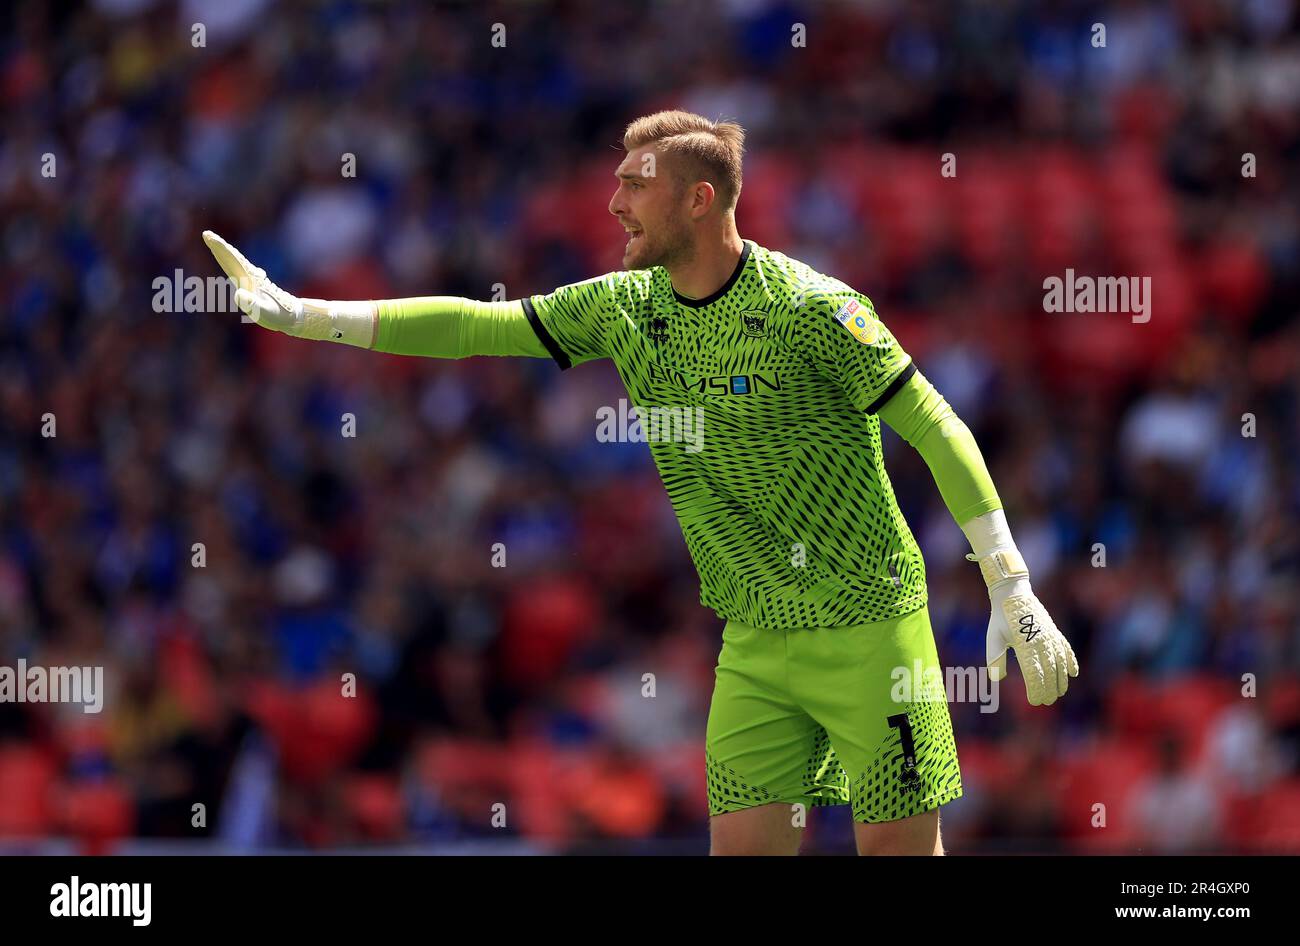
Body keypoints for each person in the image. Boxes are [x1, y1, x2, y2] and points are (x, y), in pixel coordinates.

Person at [203, 109, 1079, 856]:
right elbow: (479, 326)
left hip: (868, 624)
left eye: (635, 185)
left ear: (699, 201)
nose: (614, 202)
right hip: (755, 638)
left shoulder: (813, 310)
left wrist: (1008, 580)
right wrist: (312, 317)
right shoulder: (626, 308)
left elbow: (935, 424)